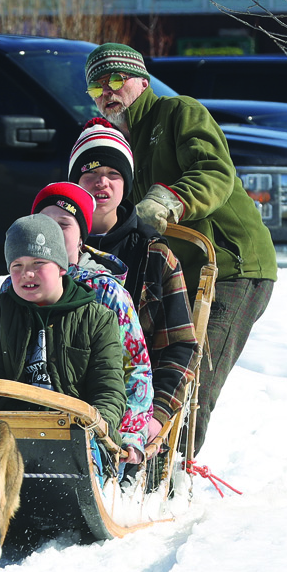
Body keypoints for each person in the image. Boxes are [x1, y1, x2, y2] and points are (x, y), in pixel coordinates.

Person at [83, 42, 276, 454]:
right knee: (152, 371)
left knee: (195, 376)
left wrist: (170, 200)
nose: (108, 91)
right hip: (173, 275)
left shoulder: (177, 113)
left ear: (142, 81)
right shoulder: (116, 147)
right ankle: (137, 459)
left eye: (117, 79)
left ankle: (172, 479)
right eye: (97, 86)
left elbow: (215, 170)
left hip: (230, 266)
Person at [67, 120, 200, 448]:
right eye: (91, 174)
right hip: (64, 398)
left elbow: (180, 344)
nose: (103, 184)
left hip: (131, 404)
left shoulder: (153, 253)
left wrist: (156, 413)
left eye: (113, 174)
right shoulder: (53, 247)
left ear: (126, 182)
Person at [0, 215, 127, 453]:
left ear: (61, 267)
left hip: (78, 433)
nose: (27, 274)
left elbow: (108, 390)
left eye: (38, 263)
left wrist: (97, 429)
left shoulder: (97, 319)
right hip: (13, 432)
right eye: (18, 266)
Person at [27, 182, 153, 463]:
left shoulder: (107, 293)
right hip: (26, 421)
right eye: (44, 224)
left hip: (90, 430)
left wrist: (130, 434)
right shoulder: (16, 287)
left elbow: (134, 368)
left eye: (63, 225)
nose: (51, 234)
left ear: (81, 238)